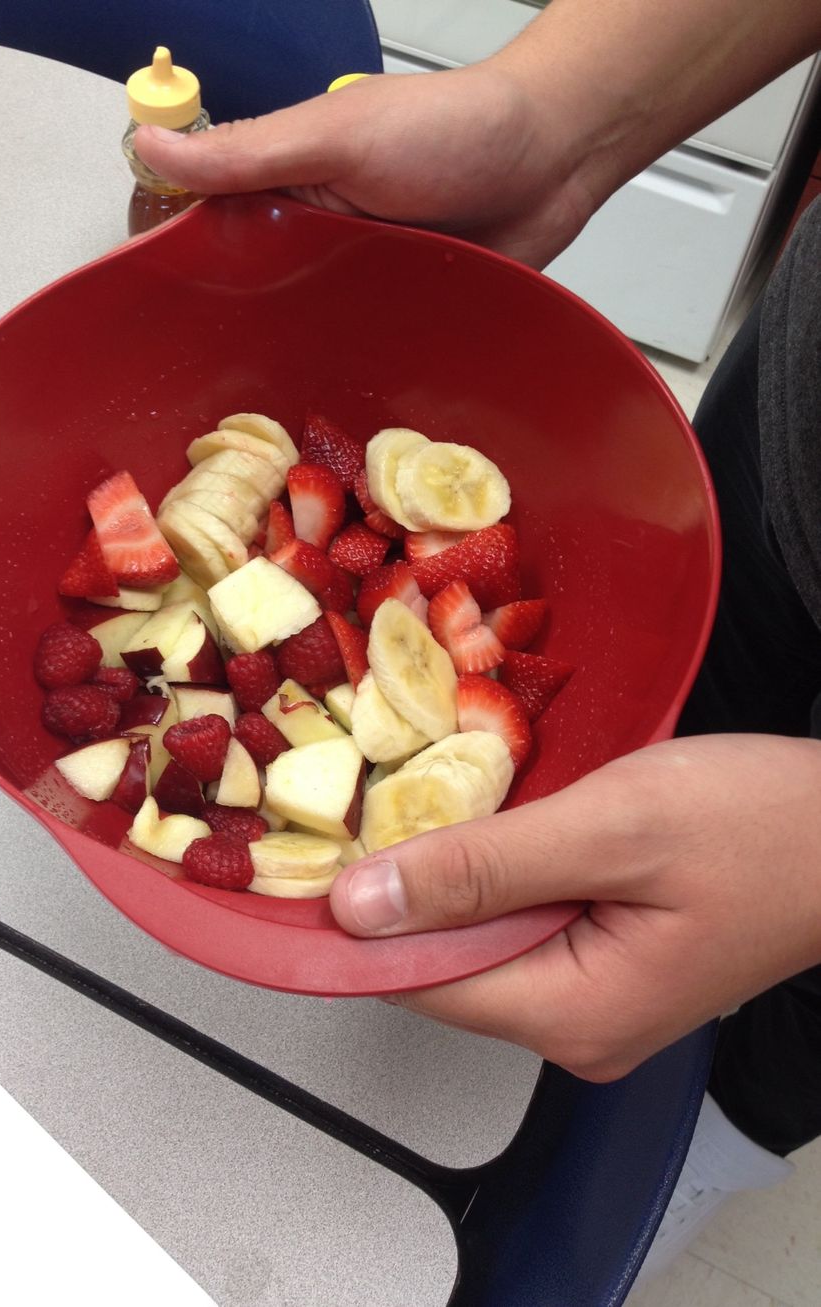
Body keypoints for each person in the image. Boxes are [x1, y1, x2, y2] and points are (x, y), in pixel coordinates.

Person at [135, 0, 821, 1280]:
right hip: (799, 417)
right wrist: (554, 116)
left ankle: (711, 1143)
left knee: (791, 1012)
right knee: (706, 698)